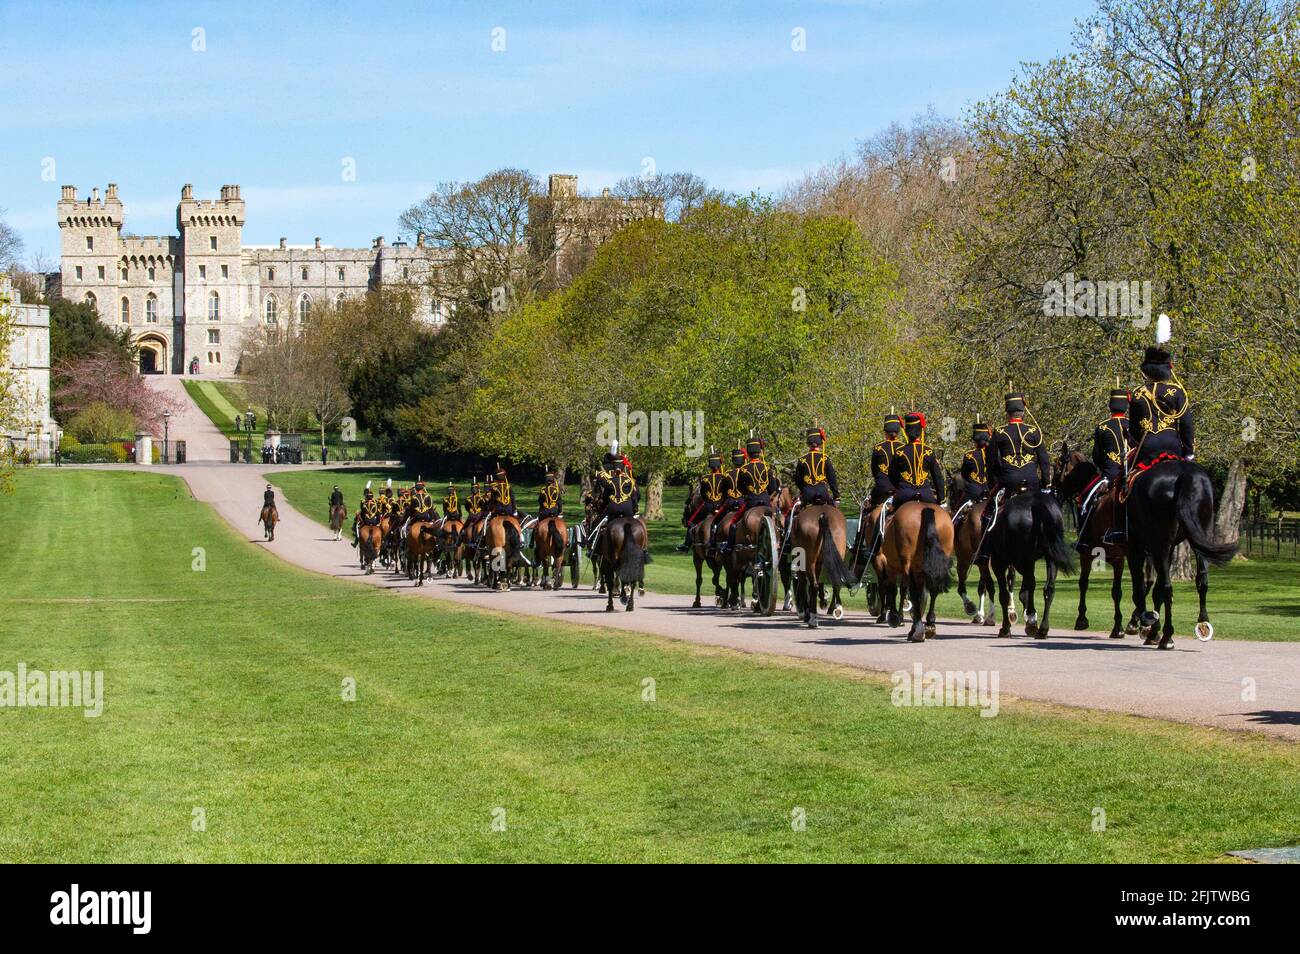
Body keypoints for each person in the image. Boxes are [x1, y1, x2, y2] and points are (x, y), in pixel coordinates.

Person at [1105, 335, 1194, 544]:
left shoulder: (1137, 394)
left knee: (1122, 484)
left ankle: (1120, 529)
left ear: (1147, 369)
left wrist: (1134, 442)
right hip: (1174, 447)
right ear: (1168, 368)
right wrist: (1189, 451)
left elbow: (1135, 430)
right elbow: (1187, 425)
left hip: (1147, 449)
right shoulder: (1178, 392)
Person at [977, 390, 1051, 562]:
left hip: (1008, 482)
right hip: (1032, 481)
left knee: (987, 513)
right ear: (1023, 411)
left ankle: (984, 552)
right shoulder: (1034, 431)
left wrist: (994, 481)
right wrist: (1046, 484)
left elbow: (992, 461)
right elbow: (1044, 460)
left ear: (1007, 411)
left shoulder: (999, 432)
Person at [1078, 387, 1130, 550]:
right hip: (1132, 472)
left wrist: (1105, 469)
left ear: (1110, 406)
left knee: (1085, 501)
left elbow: (1097, 456)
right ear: (1126, 407)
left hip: (1110, 475)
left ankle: (1085, 540)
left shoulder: (1102, 427)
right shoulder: (1133, 424)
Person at [724, 437, 779, 553]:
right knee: (781, 521)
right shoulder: (767, 467)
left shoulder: (744, 470)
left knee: (734, 523)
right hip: (766, 501)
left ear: (748, 453)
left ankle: (730, 547)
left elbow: (740, 488)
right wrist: (765, 493)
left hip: (751, 502)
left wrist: (749, 492)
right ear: (760, 452)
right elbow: (773, 488)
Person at [889, 412, 945, 505]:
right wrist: (941, 499)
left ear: (906, 432)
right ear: (920, 431)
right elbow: (938, 478)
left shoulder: (899, 451)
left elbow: (892, 476)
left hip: (904, 494)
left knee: (888, 516)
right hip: (926, 494)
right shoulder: (929, 451)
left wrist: (897, 489)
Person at [677, 450, 727, 551]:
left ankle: (686, 545)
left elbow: (704, 495)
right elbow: (726, 493)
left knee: (692, 522)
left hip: (708, 506)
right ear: (719, 465)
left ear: (710, 466)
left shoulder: (705, 479)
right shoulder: (725, 477)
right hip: (722, 506)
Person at [708, 446, 748, 555]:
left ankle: (712, 547)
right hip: (743, 504)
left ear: (733, 461)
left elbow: (723, 492)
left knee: (715, 522)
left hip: (729, 503)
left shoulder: (726, 474)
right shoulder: (747, 472)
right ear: (743, 460)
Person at [793, 427, 839, 506]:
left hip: (807, 494)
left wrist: (803, 490)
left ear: (808, 443)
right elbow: (832, 479)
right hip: (823, 493)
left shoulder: (801, 460)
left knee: (796, 514)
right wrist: (836, 496)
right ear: (820, 443)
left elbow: (798, 480)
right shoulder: (825, 458)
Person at [869, 414, 905, 506]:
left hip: (883, 487)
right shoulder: (905, 447)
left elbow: (874, 470)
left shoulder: (878, 448)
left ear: (885, 432)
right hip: (902, 487)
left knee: (867, 507)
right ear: (898, 432)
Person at [958, 421, 992, 509]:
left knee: (958, 509)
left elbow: (964, 474)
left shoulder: (969, 455)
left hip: (973, 489)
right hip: (989, 489)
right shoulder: (994, 453)